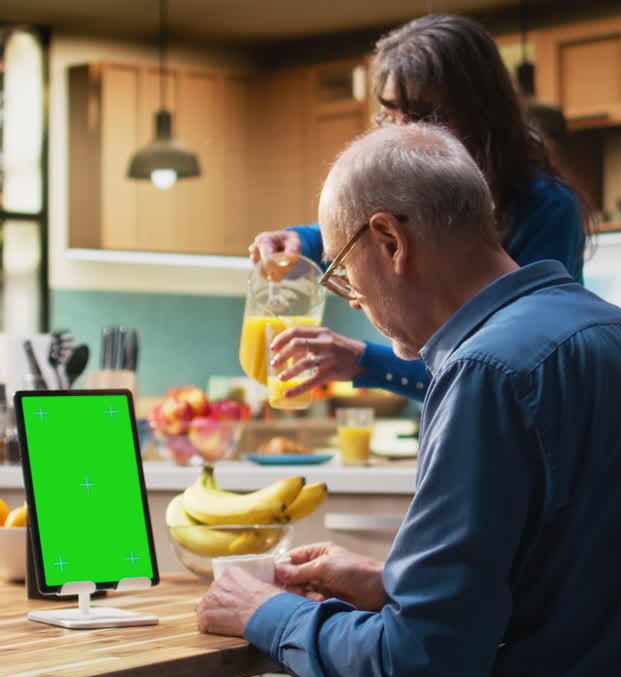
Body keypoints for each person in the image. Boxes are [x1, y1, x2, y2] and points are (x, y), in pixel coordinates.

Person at [198, 124, 621, 677]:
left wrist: (264, 612)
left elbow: (414, 675)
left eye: (342, 272)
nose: (354, 299)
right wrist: (392, 583)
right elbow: (575, 581)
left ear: (390, 241)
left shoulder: (488, 373)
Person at [251, 14, 588, 404]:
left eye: (421, 116)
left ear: (479, 112)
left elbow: (503, 370)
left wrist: (364, 360)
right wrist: (302, 240)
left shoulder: (546, 208)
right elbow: (374, 229)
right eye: (389, 116)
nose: (398, 133)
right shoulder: (410, 204)